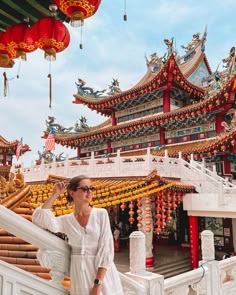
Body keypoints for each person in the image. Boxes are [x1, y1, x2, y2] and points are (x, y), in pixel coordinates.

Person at [32, 175, 124, 295]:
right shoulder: (66, 221)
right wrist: (55, 194)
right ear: (72, 193)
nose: (89, 192)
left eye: (91, 189)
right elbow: (39, 219)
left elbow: (106, 250)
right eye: (85, 189)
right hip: (79, 272)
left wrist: (97, 284)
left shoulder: (101, 214)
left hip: (102, 274)